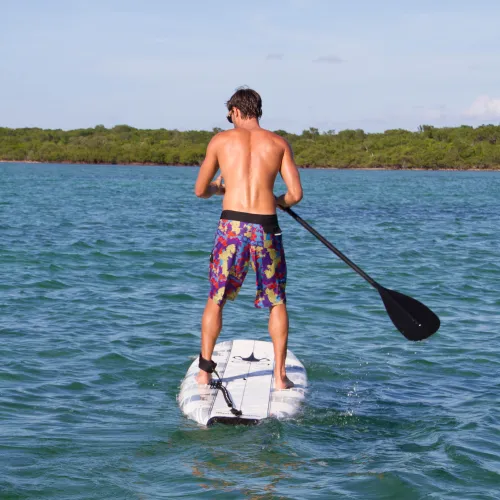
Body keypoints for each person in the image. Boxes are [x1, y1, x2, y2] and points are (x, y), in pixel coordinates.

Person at [194, 87, 303, 390]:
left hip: (231, 230)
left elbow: (200, 190)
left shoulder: (220, 141)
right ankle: (280, 378)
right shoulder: (279, 143)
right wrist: (277, 201)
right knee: (277, 301)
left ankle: (204, 372)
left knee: (216, 299)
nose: (230, 120)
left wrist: (220, 187)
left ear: (237, 111)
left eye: (230, 115)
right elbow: (295, 195)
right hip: (266, 226)